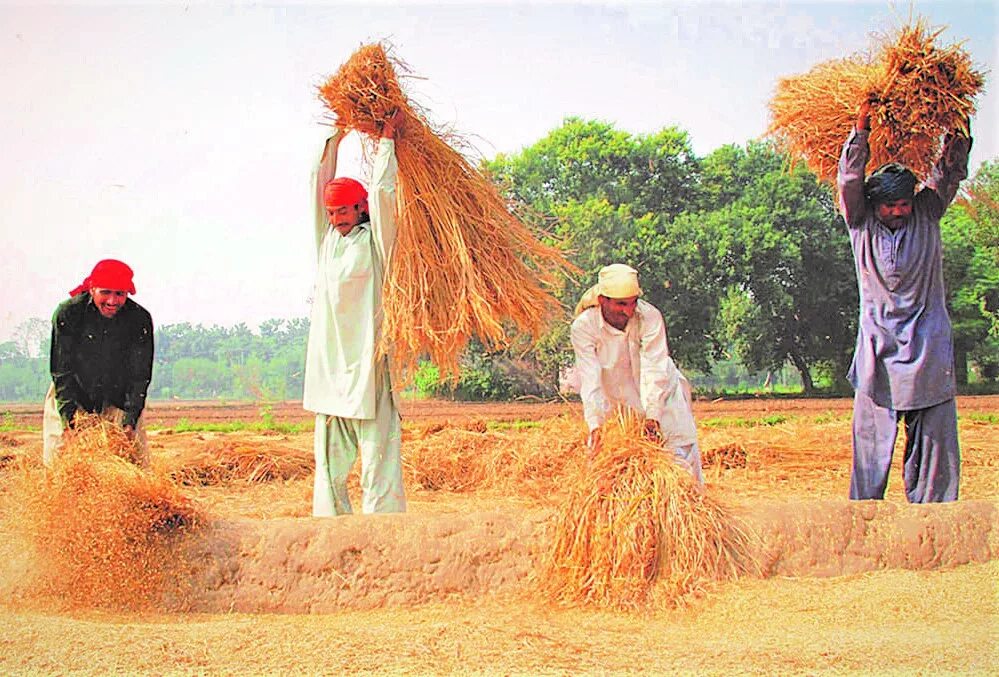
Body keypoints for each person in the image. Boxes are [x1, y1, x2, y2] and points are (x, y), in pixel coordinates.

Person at [837, 100, 971, 503]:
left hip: (928, 344)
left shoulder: (927, 214)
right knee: (871, 440)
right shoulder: (860, 223)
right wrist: (860, 131)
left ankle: (934, 518)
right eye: (890, 205)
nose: (897, 211)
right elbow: (848, 180)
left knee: (934, 437)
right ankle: (865, 516)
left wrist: (959, 134)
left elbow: (947, 176)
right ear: (875, 205)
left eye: (903, 204)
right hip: (878, 346)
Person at [303, 111, 406, 516]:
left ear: (360, 208)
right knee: (328, 459)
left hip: (369, 362)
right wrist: (336, 133)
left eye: (344, 211)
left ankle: (382, 525)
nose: (337, 218)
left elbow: (384, 194)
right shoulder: (327, 241)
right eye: (331, 213)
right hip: (329, 365)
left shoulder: (378, 243)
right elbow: (316, 182)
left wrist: (386, 142)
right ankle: (331, 525)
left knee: (378, 450)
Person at [568, 263, 703, 484]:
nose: (628, 311)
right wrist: (595, 425)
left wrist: (652, 417)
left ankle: (689, 515)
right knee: (611, 472)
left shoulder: (650, 317)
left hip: (664, 398)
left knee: (680, 461)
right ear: (603, 301)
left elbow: (654, 368)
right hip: (620, 408)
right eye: (621, 304)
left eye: (633, 303)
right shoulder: (584, 327)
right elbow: (590, 378)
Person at [43, 259, 154, 468]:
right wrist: (69, 421)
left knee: (134, 460)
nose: (112, 301)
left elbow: (140, 375)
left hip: (119, 394)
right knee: (60, 457)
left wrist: (130, 421)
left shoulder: (139, 319)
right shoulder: (69, 313)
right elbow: (61, 370)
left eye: (119, 294)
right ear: (92, 289)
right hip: (72, 391)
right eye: (106, 292)